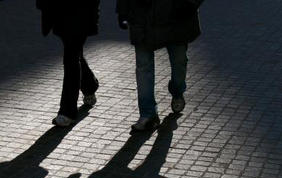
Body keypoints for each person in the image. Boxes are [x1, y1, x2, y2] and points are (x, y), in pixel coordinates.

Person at [116, 0, 203, 131]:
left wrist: (189, 4)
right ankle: (148, 114)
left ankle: (177, 91)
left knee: (179, 61)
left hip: (175, 14)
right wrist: (123, 9)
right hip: (143, 17)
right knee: (144, 67)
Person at [36, 0, 100, 127]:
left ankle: (68, 112)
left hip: (81, 14)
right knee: (74, 55)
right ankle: (89, 86)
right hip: (61, 15)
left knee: (71, 58)